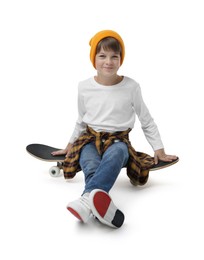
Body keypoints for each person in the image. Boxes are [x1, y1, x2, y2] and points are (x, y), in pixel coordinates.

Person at [52, 30, 178, 228]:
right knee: (90, 162)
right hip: (89, 140)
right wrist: (69, 146)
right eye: (102, 56)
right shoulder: (84, 87)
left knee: (117, 153)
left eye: (114, 56)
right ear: (94, 59)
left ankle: (86, 200)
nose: (108, 61)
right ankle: (98, 204)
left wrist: (158, 149)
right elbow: (81, 120)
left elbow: (146, 119)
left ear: (121, 59)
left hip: (118, 141)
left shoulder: (131, 87)